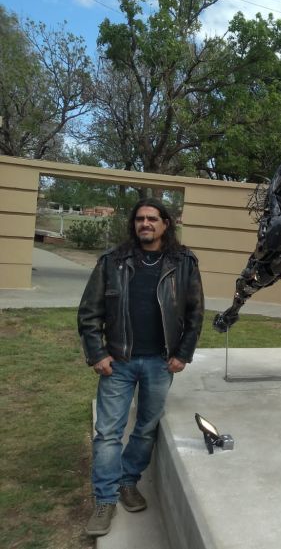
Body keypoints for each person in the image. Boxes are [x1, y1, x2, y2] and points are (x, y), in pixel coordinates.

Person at [77, 197, 204, 536]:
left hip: (160, 363)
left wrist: (183, 353)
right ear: (133, 225)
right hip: (118, 362)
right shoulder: (112, 261)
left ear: (165, 224)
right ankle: (104, 500)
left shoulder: (184, 262)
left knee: (146, 428)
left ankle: (128, 481)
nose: (144, 224)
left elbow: (194, 314)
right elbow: (89, 312)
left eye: (152, 219)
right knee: (107, 434)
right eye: (139, 219)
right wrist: (97, 353)